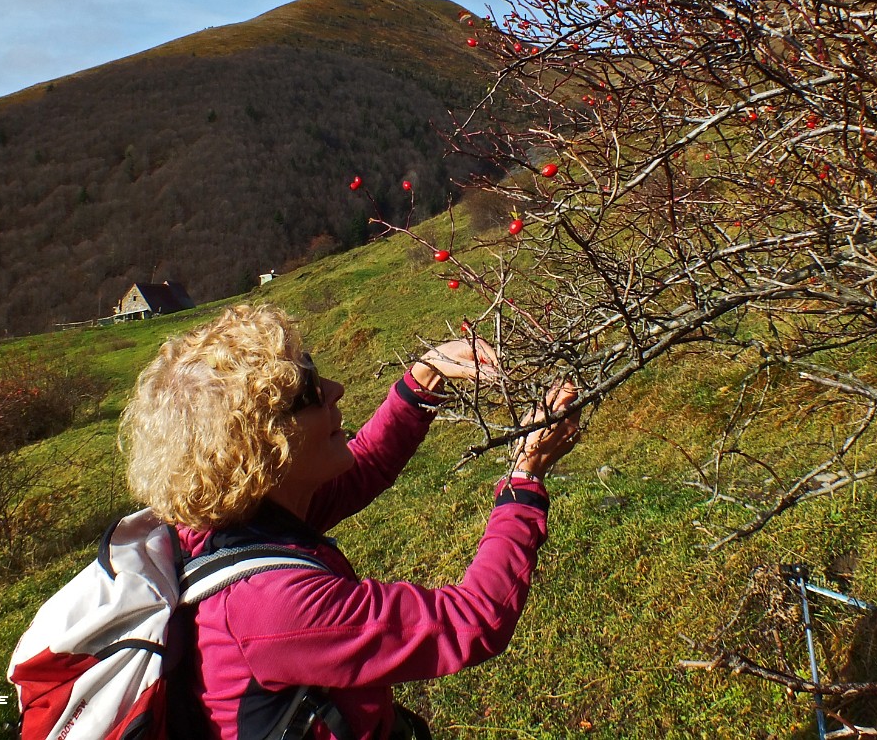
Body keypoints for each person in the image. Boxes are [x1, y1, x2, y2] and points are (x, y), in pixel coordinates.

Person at [118, 303, 581, 740]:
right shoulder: (274, 607)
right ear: (264, 445)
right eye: (311, 392)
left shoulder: (239, 522)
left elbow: (365, 468)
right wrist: (524, 476)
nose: (337, 390)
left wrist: (425, 374)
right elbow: (472, 622)